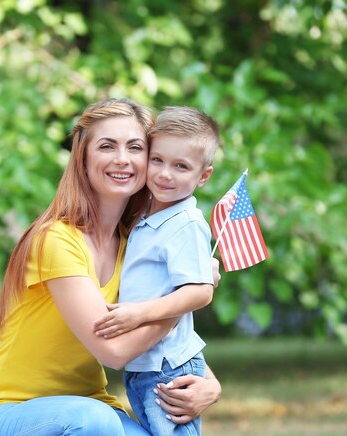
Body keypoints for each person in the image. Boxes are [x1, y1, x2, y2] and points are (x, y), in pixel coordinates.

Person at [0, 98, 222, 435]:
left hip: (91, 406)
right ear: (83, 158)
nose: (122, 159)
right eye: (107, 146)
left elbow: (170, 335)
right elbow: (113, 352)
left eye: (135, 147)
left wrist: (208, 383)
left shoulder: (137, 242)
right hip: (5, 415)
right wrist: (194, 292)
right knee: (94, 421)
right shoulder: (56, 240)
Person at [92, 106, 220, 435]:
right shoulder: (145, 215)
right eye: (157, 160)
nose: (164, 174)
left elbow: (201, 291)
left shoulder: (186, 223)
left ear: (203, 176)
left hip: (167, 369)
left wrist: (138, 314)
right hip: (145, 366)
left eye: (181, 166)